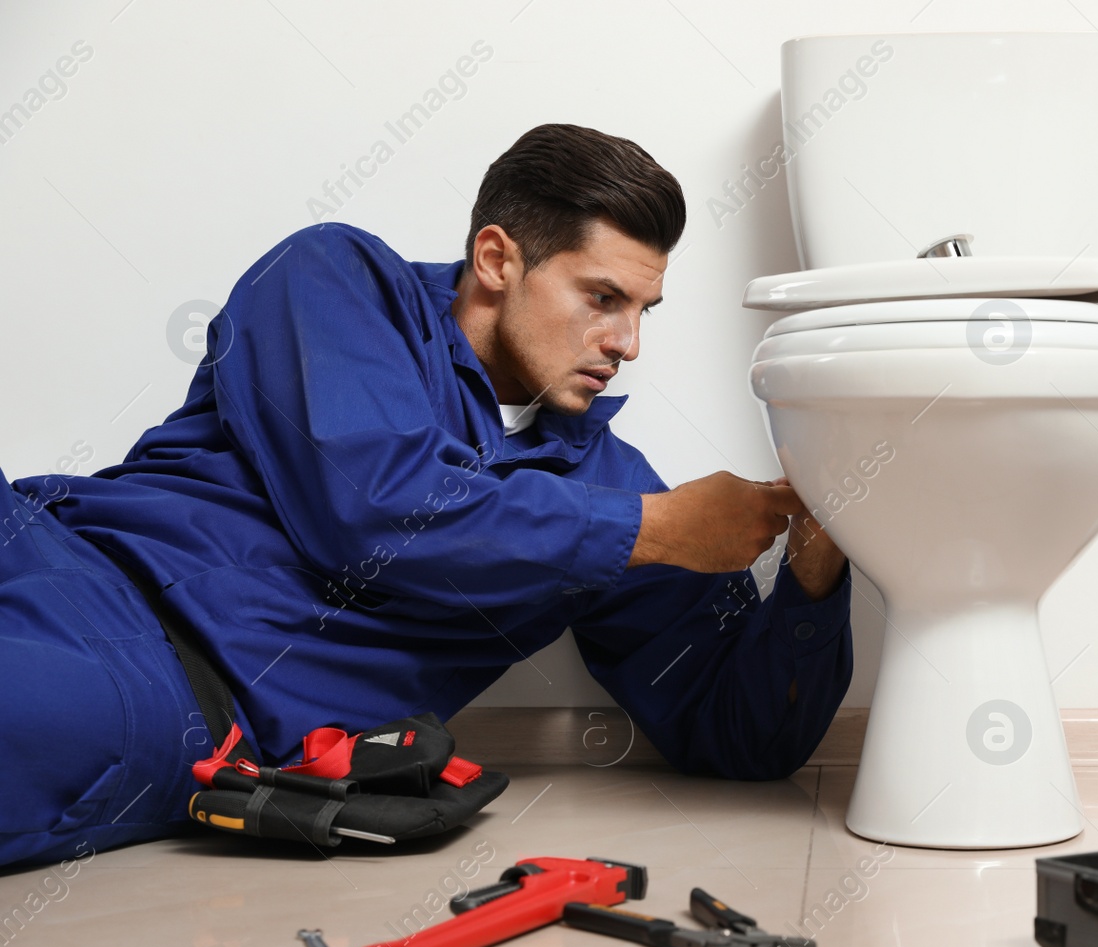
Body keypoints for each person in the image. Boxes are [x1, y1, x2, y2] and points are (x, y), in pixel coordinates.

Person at [0, 123, 853, 870]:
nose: (627, 342)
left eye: (644, 310)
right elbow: (374, 510)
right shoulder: (337, 280)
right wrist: (648, 528)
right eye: (602, 298)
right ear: (496, 259)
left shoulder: (613, 491)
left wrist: (816, 570)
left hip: (154, 687)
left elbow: (737, 733)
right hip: (47, 539)